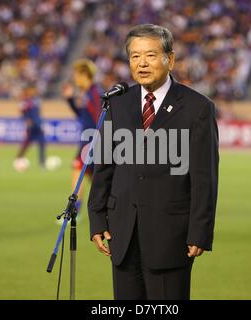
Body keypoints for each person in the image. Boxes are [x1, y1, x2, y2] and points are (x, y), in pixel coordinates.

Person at [88, 24, 219, 300]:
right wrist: (97, 218)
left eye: (149, 55)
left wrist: (200, 231)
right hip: (122, 235)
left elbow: (204, 176)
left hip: (171, 237)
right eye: (135, 56)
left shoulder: (197, 108)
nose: (142, 63)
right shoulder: (117, 104)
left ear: (169, 60)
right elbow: (104, 167)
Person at [61, 59, 103, 215]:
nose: (75, 78)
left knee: (77, 169)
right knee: (96, 180)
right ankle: (107, 208)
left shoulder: (95, 93)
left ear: (85, 74)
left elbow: (101, 118)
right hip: (89, 141)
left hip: (91, 141)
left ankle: (74, 210)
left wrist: (96, 142)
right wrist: (70, 99)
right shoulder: (88, 93)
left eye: (77, 75)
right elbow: (82, 115)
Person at [15, 85, 46, 167]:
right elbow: (22, 112)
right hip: (31, 127)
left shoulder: (36, 100)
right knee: (26, 143)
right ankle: (18, 158)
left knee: (42, 144)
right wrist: (26, 119)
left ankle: (42, 162)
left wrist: (41, 124)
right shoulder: (26, 102)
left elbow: (38, 113)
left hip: (38, 125)